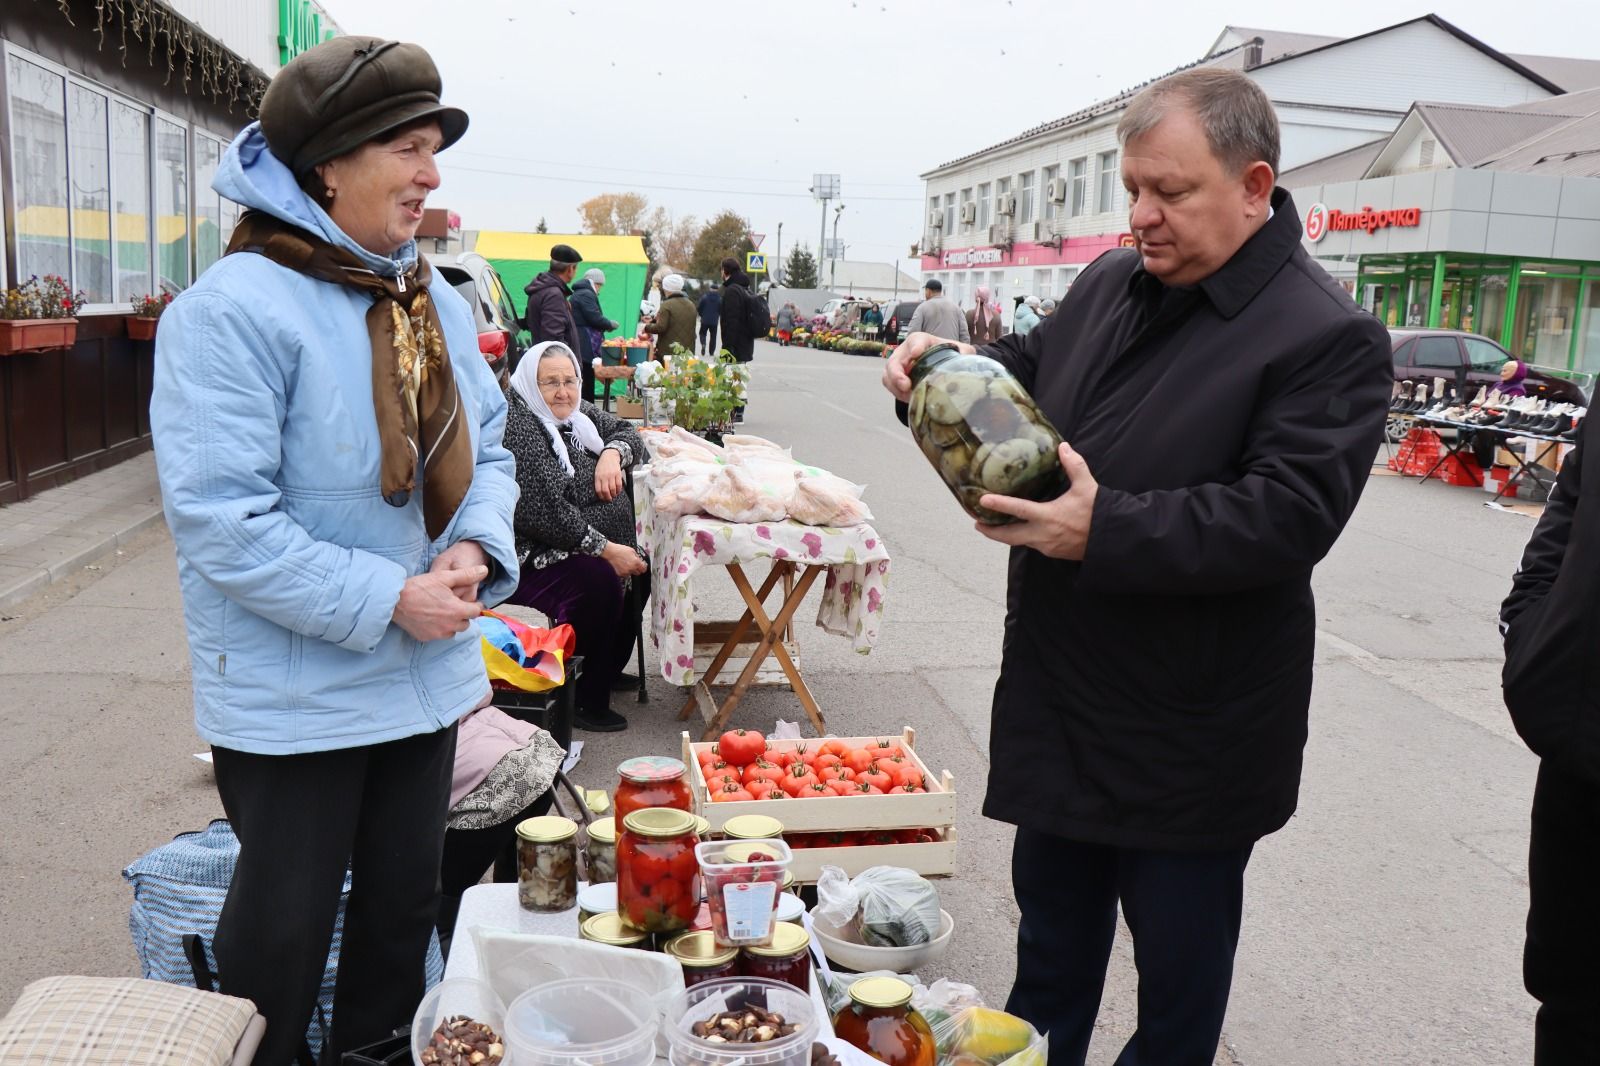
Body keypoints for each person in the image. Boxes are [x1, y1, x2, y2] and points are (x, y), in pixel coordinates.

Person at [881, 67, 1390, 1065]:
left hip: (1191, 740)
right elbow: (1019, 378)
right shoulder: (1114, 282)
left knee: (1175, 1003)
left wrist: (1099, 529)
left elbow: (1286, 517)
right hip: (1065, 706)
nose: (1143, 216)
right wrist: (929, 372)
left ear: (1253, 185)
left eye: (1172, 192)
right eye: (1133, 190)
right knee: (1046, 976)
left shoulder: (1325, 335)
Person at [149, 36, 519, 1065]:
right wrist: (389, 593)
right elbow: (225, 521)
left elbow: (488, 449)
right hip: (295, 697)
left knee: (403, 918)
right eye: (407, 146)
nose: (430, 173)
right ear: (328, 165)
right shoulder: (226, 314)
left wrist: (477, 551)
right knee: (281, 939)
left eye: (434, 145)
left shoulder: (430, 298)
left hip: (425, 678)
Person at [502, 341, 647, 733]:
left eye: (569, 380)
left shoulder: (575, 414)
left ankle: (604, 669)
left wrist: (611, 454)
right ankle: (583, 698)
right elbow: (543, 514)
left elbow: (627, 432)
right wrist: (608, 550)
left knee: (641, 569)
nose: (563, 391)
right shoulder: (521, 425)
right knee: (598, 583)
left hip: (577, 538)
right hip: (535, 551)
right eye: (550, 382)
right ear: (530, 385)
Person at [523, 242, 583, 380]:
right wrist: (568, 373)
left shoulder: (544, 290)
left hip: (550, 369)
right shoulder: (553, 294)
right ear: (570, 269)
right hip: (558, 374)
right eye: (575, 268)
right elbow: (554, 339)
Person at [570, 266, 618, 400]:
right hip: (585, 341)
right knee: (587, 377)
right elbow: (594, 317)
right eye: (599, 285)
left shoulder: (580, 293)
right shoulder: (586, 294)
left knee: (585, 375)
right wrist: (609, 324)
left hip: (581, 339)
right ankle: (588, 411)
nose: (599, 289)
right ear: (595, 283)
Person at [643, 273, 697, 357]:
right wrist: (653, 320)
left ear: (667, 289)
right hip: (687, 353)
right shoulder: (691, 305)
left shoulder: (667, 305)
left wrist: (647, 326)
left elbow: (661, 327)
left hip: (668, 352)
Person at [904, 278, 970, 343]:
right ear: (940, 291)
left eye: (925, 291)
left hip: (932, 351)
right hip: (953, 351)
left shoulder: (922, 308)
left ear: (928, 291)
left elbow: (913, 333)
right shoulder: (956, 308)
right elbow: (964, 334)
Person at [718, 256, 757, 363]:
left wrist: (727, 348)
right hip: (745, 345)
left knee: (733, 378)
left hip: (735, 349)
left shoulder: (732, 291)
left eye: (721, 270)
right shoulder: (745, 288)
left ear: (725, 271)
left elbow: (732, 321)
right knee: (738, 378)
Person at [697, 284, 722, 356]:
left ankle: (703, 344)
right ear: (717, 290)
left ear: (710, 289)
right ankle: (711, 352)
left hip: (704, 320)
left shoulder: (704, 298)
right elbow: (721, 310)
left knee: (702, 333)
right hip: (714, 321)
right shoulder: (719, 299)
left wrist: (701, 315)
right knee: (713, 337)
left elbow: (699, 308)